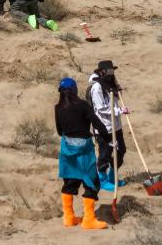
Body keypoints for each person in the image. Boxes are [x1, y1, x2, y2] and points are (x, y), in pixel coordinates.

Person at [55, 76, 110, 230]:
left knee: (70, 182)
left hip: (67, 149)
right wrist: (107, 136)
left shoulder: (58, 108)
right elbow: (97, 124)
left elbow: (60, 131)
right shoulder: (83, 105)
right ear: (75, 90)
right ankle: (89, 220)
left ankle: (69, 217)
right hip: (84, 149)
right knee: (91, 183)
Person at [87, 60, 126, 192]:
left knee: (121, 151)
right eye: (109, 71)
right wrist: (119, 111)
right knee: (105, 154)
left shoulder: (111, 84)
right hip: (103, 127)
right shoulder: (97, 87)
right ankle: (102, 180)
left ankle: (112, 177)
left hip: (116, 126)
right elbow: (101, 108)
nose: (111, 73)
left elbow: (115, 100)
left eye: (112, 71)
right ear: (101, 72)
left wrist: (118, 90)